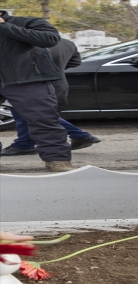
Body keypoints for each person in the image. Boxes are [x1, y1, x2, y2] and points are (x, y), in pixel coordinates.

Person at [0, 10, 74, 172]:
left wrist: (4, 26)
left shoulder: (27, 23)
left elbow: (51, 39)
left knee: (43, 120)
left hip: (27, 79)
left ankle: (57, 159)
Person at [1, 39, 101, 156]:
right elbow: (75, 62)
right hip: (57, 83)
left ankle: (80, 135)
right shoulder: (66, 43)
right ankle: (24, 144)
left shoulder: (25, 43)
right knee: (37, 114)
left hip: (30, 84)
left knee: (35, 115)